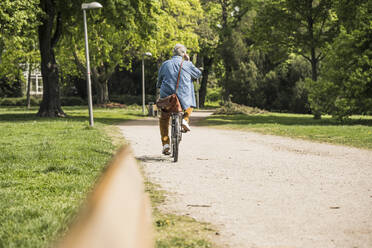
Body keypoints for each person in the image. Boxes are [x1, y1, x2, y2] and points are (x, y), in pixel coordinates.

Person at [156, 44, 202, 155]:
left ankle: (166, 144)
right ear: (184, 54)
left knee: (164, 118)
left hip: (168, 98)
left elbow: (159, 81)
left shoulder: (165, 64)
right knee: (190, 102)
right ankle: (185, 119)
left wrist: (160, 87)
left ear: (173, 53)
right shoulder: (187, 64)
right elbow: (198, 74)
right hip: (184, 98)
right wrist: (189, 61)